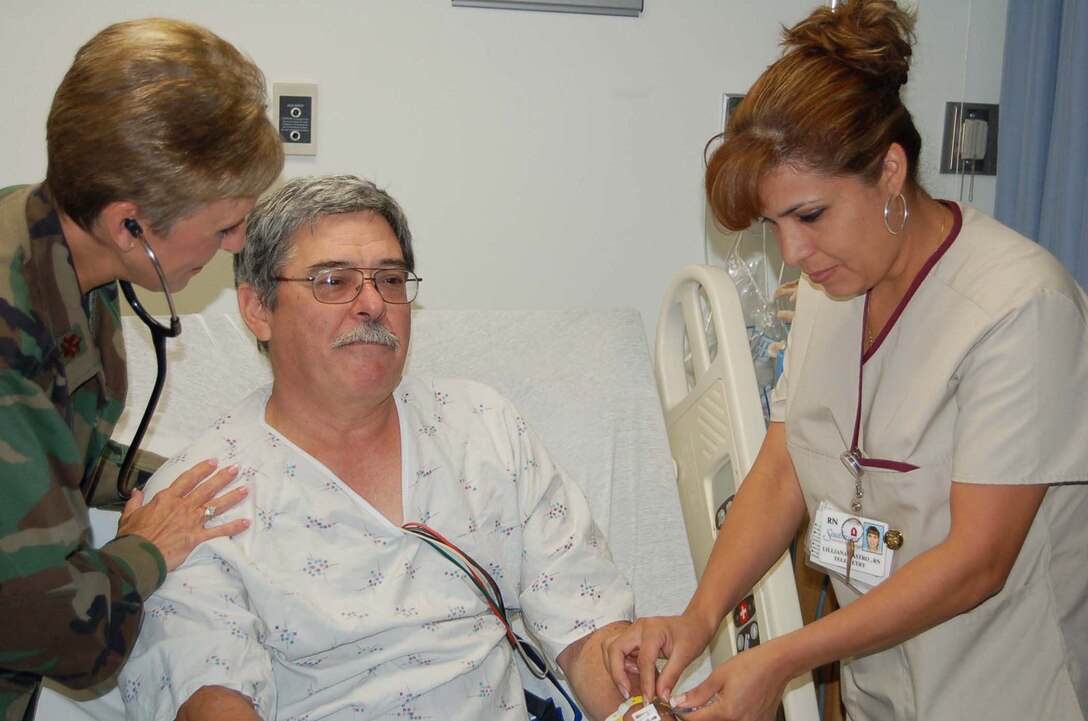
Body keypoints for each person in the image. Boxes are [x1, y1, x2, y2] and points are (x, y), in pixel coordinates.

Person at [604, 1, 1088, 719]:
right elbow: (783, 466)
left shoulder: (1020, 307)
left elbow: (980, 560)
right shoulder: (830, 294)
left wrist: (787, 656)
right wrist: (700, 615)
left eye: (809, 216)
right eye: (775, 226)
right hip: (878, 690)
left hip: (1002, 687)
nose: (791, 255)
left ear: (890, 172)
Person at [118, 174, 643, 721]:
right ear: (258, 309)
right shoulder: (199, 497)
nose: (373, 303)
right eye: (333, 281)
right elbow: (209, 692)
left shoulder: (482, 429)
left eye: (390, 280)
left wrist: (635, 710)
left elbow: (587, 627)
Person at [0, 18, 283, 720]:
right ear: (131, 224)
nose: (238, 243)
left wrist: (169, 475)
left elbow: (53, 454)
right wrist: (147, 548)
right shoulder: (10, 331)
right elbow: (64, 635)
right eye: (223, 226)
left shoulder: (56, 252)